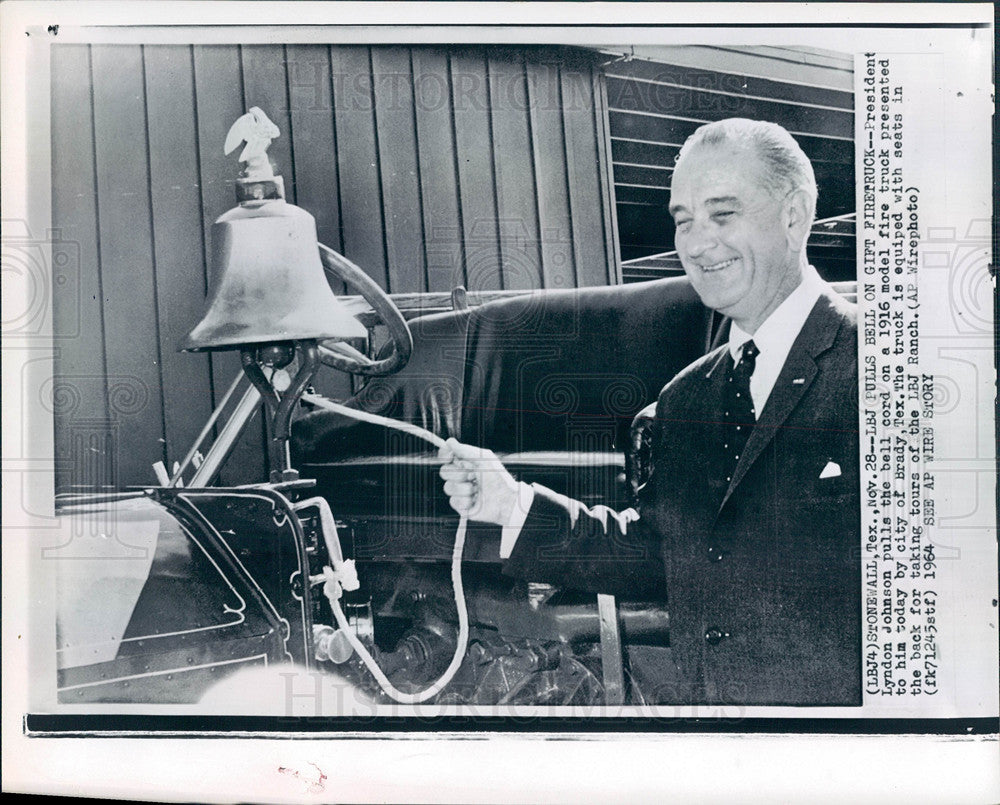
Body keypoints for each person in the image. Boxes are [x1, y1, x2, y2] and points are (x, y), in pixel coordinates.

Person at [439, 118, 860, 706]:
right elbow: (658, 554)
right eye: (683, 220)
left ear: (795, 216)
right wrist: (508, 503)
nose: (694, 242)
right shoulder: (686, 397)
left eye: (722, 214)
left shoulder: (881, 368)